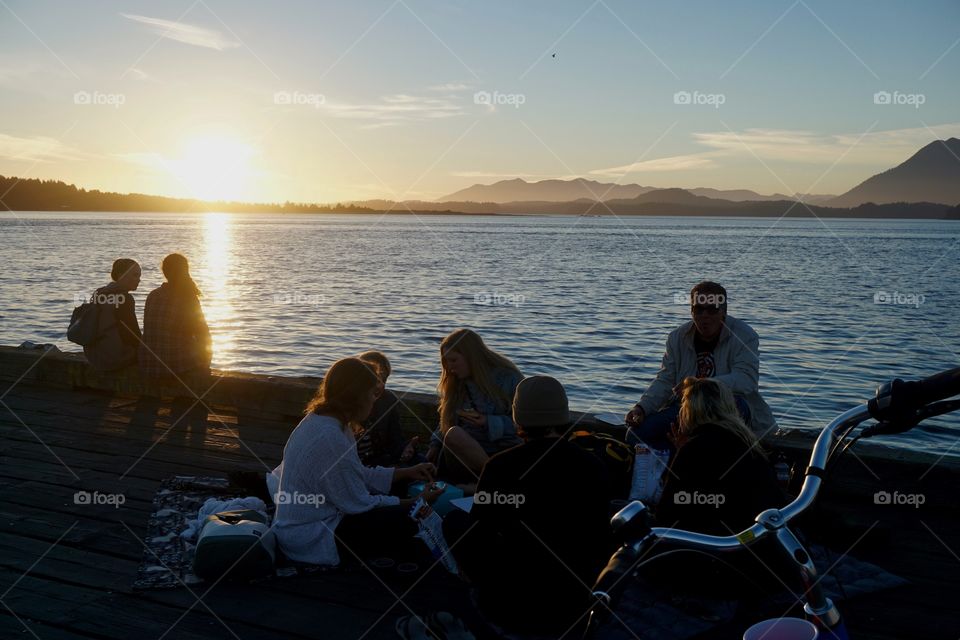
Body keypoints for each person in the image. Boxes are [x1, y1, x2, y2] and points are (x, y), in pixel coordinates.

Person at [443, 376, 614, 636]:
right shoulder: (593, 465)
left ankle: (475, 594)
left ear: (517, 418)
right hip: (576, 596)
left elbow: (479, 533)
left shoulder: (500, 466)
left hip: (515, 599)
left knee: (455, 522)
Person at [271, 357, 442, 566]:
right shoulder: (330, 436)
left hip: (312, 523)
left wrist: (407, 472)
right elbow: (359, 503)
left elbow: (357, 474)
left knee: (401, 500)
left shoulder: (326, 421)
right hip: (311, 536)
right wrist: (417, 503)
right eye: (373, 394)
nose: (374, 401)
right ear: (357, 396)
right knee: (410, 519)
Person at [651, 377, 789, 594]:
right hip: (766, 553)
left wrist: (679, 455)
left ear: (688, 411)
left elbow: (667, 514)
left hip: (724, 561)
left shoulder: (694, 449)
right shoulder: (749, 443)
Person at [625, 281, 776, 450]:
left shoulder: (745, 335)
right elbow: (665, 380)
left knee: (736, 410)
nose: (705, 315)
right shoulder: (676, 338)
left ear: (724, 312)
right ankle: (677, 462)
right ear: (691, 311)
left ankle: (692, 456)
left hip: (727, 408)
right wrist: (641, 407)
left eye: (712, 309)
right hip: (687, 408)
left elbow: (746, 380)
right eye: (699, 309)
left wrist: (700, 385)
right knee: (635, 435)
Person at [426, 329, 523, 482]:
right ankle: (492, 482)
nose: (450, 368)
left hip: (504, 451)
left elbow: (524, 426)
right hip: (466, 455)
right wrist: (435, 444)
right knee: (454, 434)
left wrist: (488, 422)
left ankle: (494, 482)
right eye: (446, 362)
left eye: (453, 360)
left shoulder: (508, 378)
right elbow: (447, 420)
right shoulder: (456, 383)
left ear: (471, 356)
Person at [139, 253, 212, 396]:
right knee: (202, 347)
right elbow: (203, 334)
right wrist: (206, 360)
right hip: (174, 364)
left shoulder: (153, 295)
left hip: (149, 363)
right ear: (186, 271)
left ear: (165, 272)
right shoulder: (187, 297)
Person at [354, 350, 422, 467]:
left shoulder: (388, 399)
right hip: (362, 461)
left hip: (384, 456)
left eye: (384, 379)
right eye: (376, 379)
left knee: (421, 461)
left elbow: (395, 437)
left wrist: (406, 448)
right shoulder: (353, 402)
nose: (380, 385)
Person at [84, 258, 142, 371]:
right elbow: (132, 333)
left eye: (139, 276)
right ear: (121, 275)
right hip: (113, 359)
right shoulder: (125, 299)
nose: (139, 280)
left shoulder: (100, 292)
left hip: (93, 356)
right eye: (135, 275)